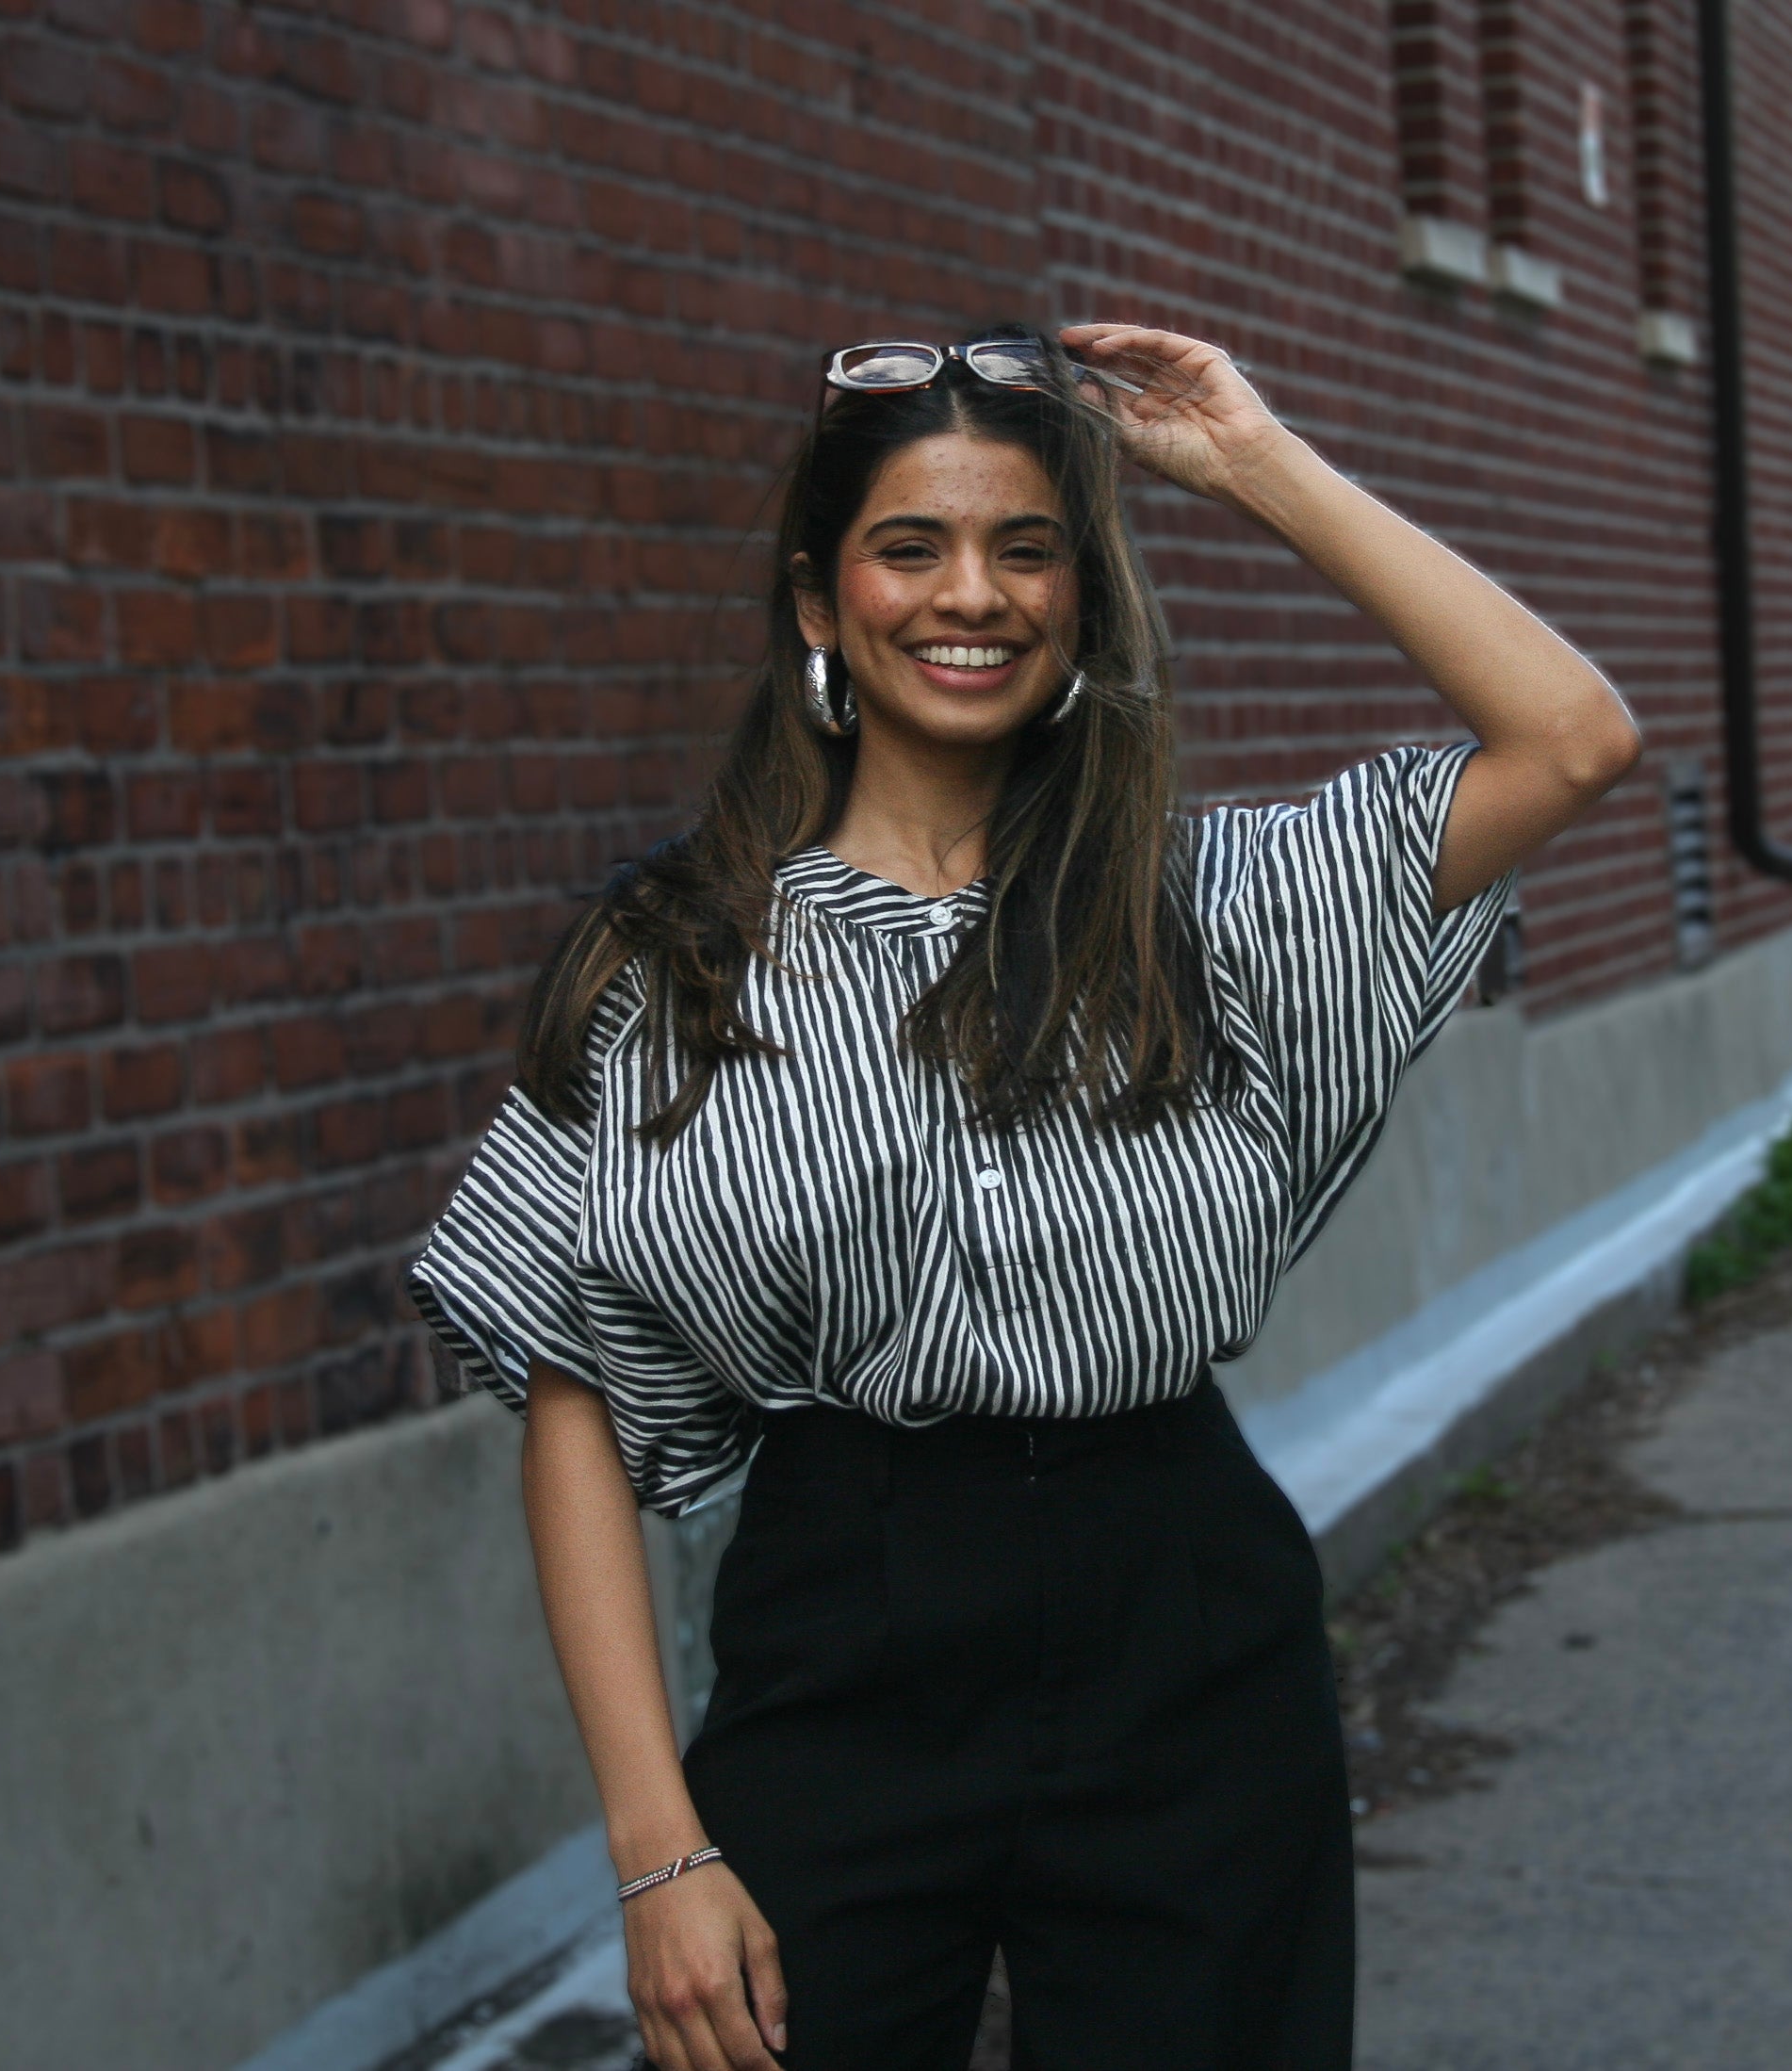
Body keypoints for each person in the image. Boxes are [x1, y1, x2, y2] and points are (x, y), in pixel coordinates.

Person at [407, 321, 1640, 2071]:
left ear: (1081, 600)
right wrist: (656, 1847)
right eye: (909, 546)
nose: (967, 594)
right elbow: (575, 1405)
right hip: (843, 1622)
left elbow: (1571, 735)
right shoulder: (675, 961)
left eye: (1025, 546)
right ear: (820, 605)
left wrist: (1249, 459)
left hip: (1183, 1615)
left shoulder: (1205, 905)